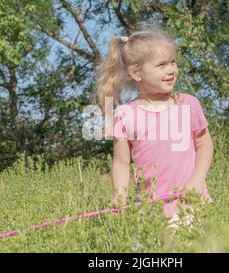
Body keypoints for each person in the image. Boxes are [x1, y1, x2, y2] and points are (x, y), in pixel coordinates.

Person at [91, 28, 214, 229]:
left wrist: (197, 180)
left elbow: (205, 145)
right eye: (162, 64)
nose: (172, 69)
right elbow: (121, 162)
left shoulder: (188, 104)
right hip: (149, 211)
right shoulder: (124, 115)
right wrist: (120, 195)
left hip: (190, 203)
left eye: (173, 62)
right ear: (136, 72)